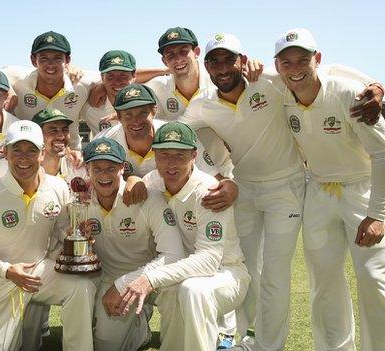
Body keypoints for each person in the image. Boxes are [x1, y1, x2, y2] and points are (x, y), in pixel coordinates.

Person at [181, 32, 384, 351]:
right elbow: (179, 132)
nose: (222, 68)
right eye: (214, 61)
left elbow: (329, 73)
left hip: (292, 189)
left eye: (228, 59)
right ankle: (255, 340)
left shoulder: (273, 82)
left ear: (243, 60)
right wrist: (220, 171)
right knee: (253, 271)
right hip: (253, 189)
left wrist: (376, 85)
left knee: (284, 274)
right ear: (206, 66)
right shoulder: (205, 103)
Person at [274, 28, 385, 351]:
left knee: (374, 279)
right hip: (319, 189)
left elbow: (382, 154)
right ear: (277, 65)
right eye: (286, 62)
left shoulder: (349, 93)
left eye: (303, 60)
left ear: (317, 60)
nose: (295, 69)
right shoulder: (279, 89)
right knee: (323, 280)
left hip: (363, 189)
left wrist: (378, 214)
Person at [0, 120, 95, 351]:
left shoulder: (58, 187)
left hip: (38, 272)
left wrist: (76, 233)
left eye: (32, 150)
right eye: (17, 150)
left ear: (42, 153)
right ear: (5, 153)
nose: (24, 158)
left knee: (81, 285)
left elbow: (63, 228)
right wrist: (6, 270)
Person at [121, 121, 249, 351]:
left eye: (180, 156)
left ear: (194, 156)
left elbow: (209, 260)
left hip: (226, 273)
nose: (171, 164)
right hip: (182, 271)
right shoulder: (153, 181)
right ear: (154, 155)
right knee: (173, 290)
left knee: (192, 290)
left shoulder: (209, 191)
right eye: (164, 155)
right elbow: (140, 182)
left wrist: (150, 279)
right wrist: (133, 179)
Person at [80, 137, 184, 350]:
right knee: (106, 346)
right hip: (110, 280)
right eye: (97, 168)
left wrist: (125, 283)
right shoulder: (79, 201)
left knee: (179, 292)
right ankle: (139, 327)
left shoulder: (146, 196)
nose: (104, 175)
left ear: (122, 168)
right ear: (87, 170)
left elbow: (174, 254)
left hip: (153, 277)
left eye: (111, 167)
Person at [97, 82, 237, 212]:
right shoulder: (107, 141)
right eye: (128, 115)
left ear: (154, 110)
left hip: (179, 210)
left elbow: (213, 177)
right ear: (118, 117)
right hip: (135, 215)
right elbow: (91, 175)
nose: (136, 121)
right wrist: (129, 179)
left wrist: (230, 187)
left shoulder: (179, 136)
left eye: (143, 113)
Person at [13, 31, 88, 150]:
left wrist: (100, 86)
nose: (51, 65)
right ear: (33, 60)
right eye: (44, 59)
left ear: (67, 60)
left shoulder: (82, 85)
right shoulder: (18, 84)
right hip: (29, 158)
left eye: (58, 59)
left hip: (70, 157)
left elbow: (114, 79)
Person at [0, 108, 85, 186]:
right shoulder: (9, 167)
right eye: (53, 131)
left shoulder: (77, 166)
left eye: (65, 130)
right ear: (38, 136)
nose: (61, 136)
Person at [79, 50, 137, 136]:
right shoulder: (90, 108)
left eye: (123, 76)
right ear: (102, 78)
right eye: (111, 76)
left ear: (134, 76)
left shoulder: (149, 100)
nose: (117, 82)